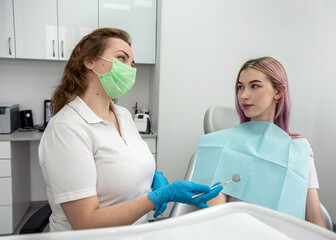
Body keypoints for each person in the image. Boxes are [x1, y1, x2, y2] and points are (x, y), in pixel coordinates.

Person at [38, 28, 222, 232]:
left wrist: (153, 178)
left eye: (132, 63)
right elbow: (85, 222)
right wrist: (159, 197)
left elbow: (122, 166)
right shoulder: (67, 129)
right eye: (121, 58)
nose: (129, 69)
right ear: (89, 61)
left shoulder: (123, 115)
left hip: (134, 232)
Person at [206, 56, 326, 228]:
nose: (244, 95)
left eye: (254, 86)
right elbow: (214, 218)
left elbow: (315, 219)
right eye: (241, 87)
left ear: (278, 92)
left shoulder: (299, 147)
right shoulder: (227, 145)